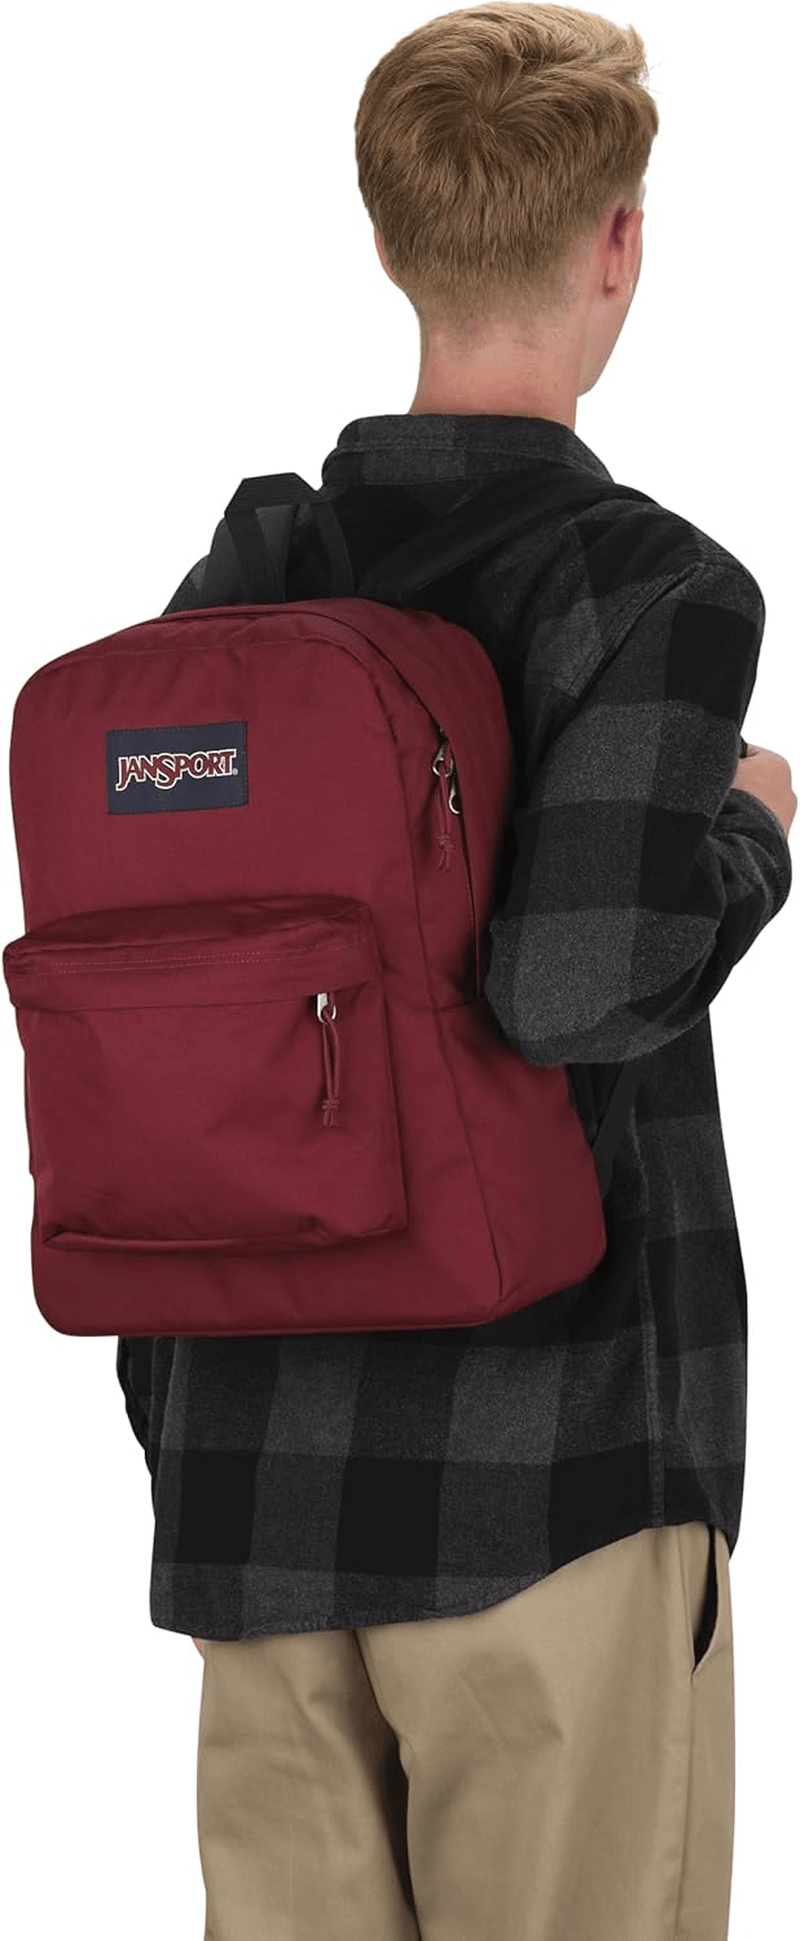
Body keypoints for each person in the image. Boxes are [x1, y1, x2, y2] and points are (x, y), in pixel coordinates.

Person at [116, 7, 794, 1937]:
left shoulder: (245, 587)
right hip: (546, 1482)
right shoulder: (651, 587)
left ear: (389, 238)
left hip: (251, 1483)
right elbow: (572, 990)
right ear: (618, 243)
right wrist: (752, 827)